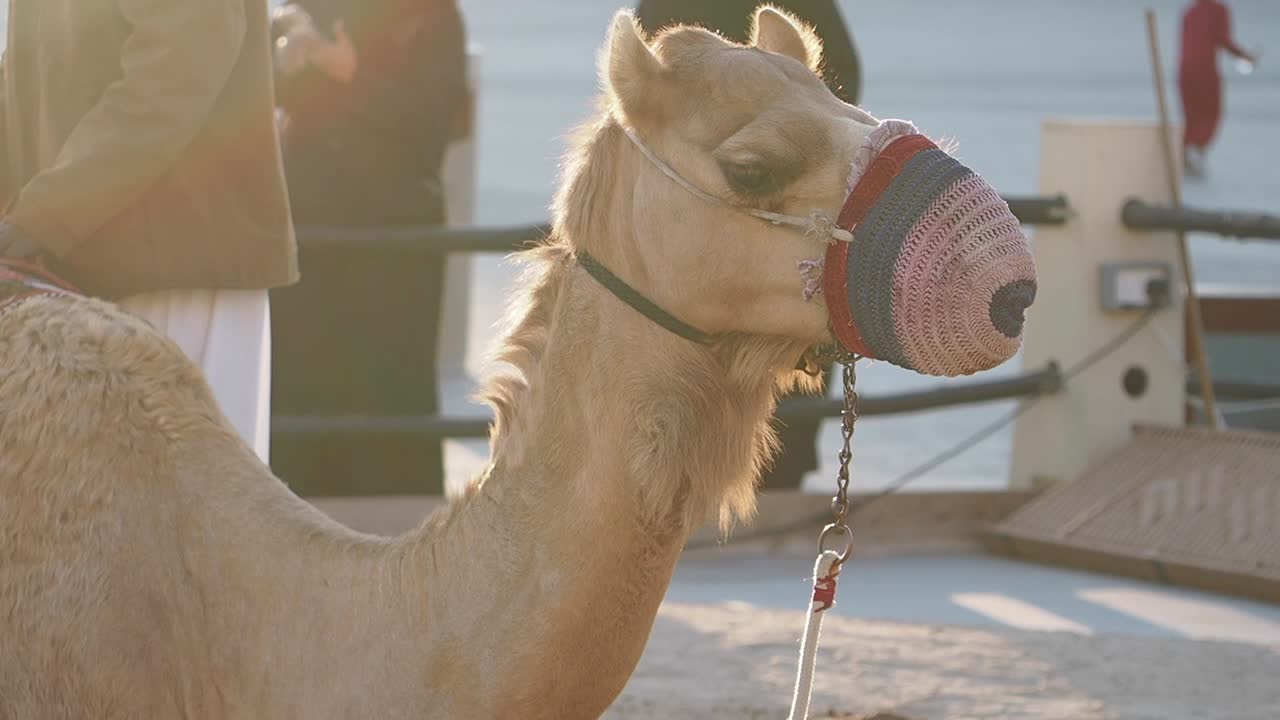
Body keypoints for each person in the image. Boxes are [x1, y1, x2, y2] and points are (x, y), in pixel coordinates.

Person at [0, 0, 299, 463]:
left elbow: (178, 66)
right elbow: (28, 75)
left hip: (174, 264)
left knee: (195, 519)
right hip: (76, 263)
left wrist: (44, 212)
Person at [636, 0, 862, 491]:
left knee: (775, 395)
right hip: (705, 225)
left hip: (777, 218)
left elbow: (831, 79)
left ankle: (777, 476)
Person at [267, 0, 469, 495]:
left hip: (391, 243)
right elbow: (275, 95)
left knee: (388, 387)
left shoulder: (432, 16)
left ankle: (395, 521)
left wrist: (352, 74)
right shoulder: (314, 9)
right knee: (303, 384)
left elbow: (432, 124)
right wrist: (288, 57)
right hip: (311, 234)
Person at [1177, 0, 1258, 178]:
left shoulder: (1189, 12)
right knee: (1211, 112)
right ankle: (1195, 149)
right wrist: (1246, 56)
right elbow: (1223, 39)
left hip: (1185, 70)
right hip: (1205, 69)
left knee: (1192, 115)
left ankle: (1186, 152)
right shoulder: (1218, 10)